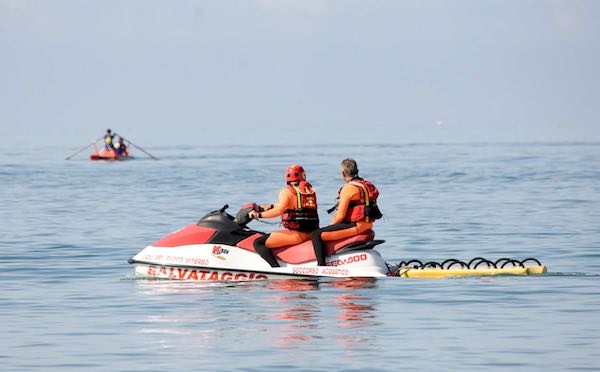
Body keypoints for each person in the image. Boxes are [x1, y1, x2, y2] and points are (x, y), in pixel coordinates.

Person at [311, 158, 382, 266]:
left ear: (343, 173)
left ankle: (321, 266)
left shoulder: (348, 188)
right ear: (356, 170)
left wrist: (330, 226)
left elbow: (340, 216)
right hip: (367, 225)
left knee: (316, 234)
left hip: (355, 226)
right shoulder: (367, 186)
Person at [248, 164, 319, 267]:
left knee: (258, 243)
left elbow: (279, 210)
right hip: (311, 233)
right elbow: (294, 206)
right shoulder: (308, 191)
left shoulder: (286, 192)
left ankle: (275, 268)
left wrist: (258, 215)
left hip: (297, 235)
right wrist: (271, 206)